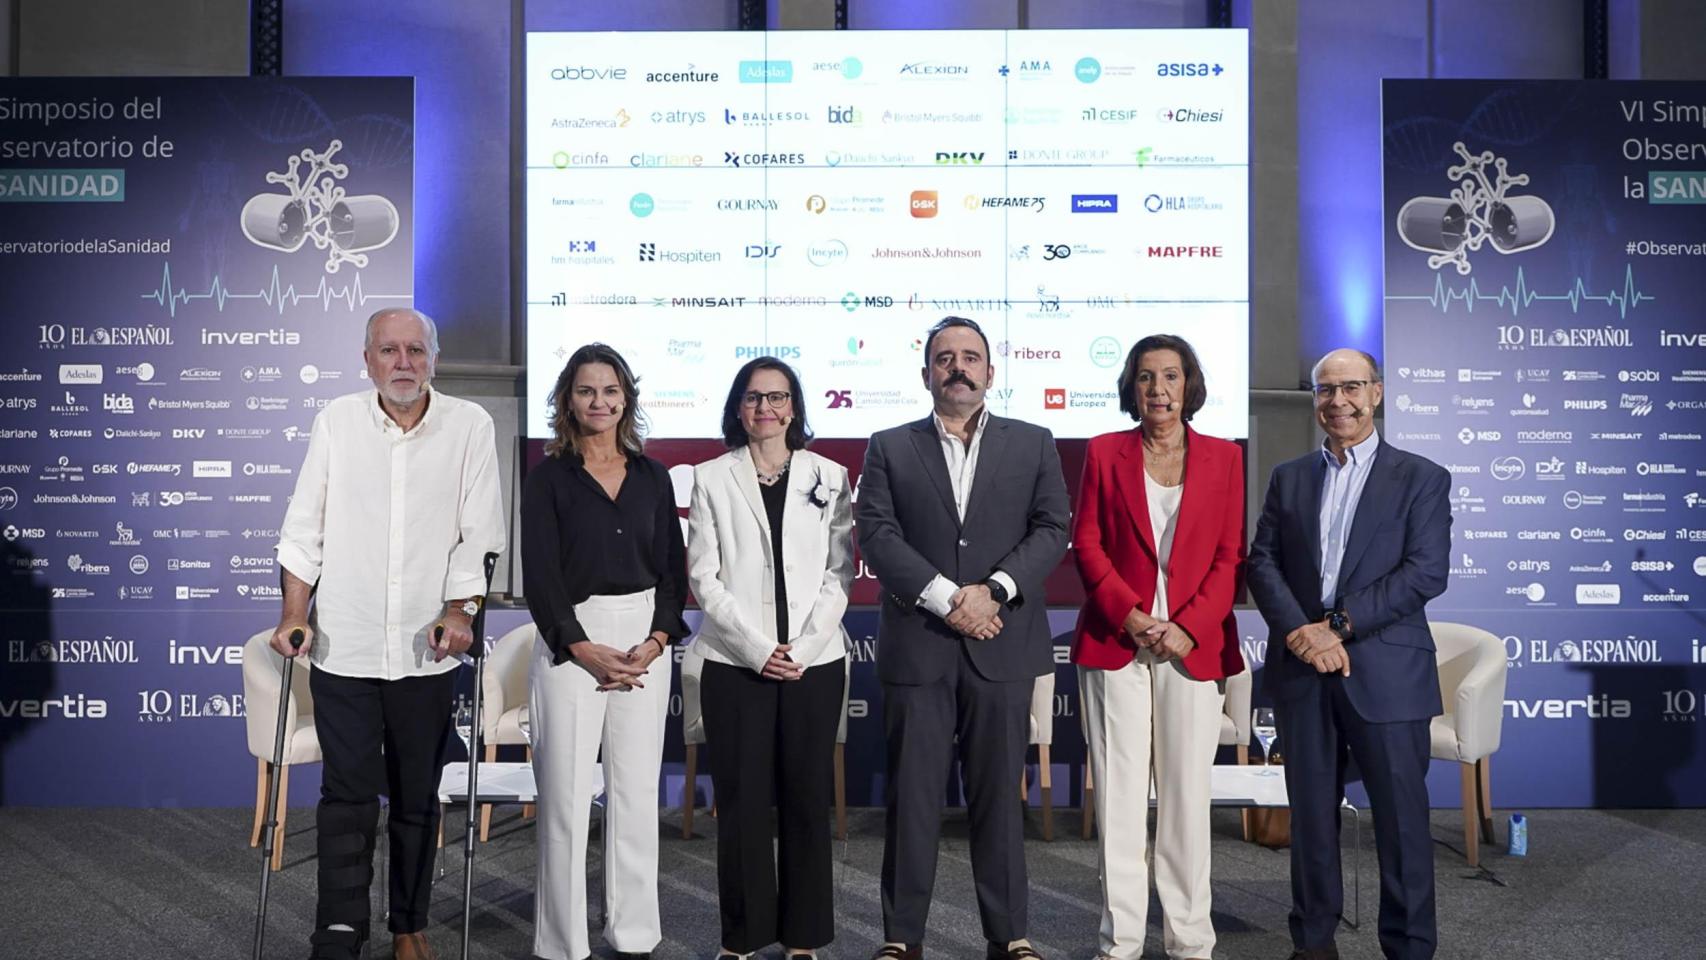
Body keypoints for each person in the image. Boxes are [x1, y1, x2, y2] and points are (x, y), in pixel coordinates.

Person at [273, 307, 506, 960]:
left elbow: (479, 533)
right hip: (343, 647)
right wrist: (296, 613)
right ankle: (339, 932)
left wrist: (460, 612)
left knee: (413, 798)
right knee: (346, 797)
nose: (402, 362)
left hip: (427, 652)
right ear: (367, 359)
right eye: (388, 351)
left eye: (414, 350)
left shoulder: (469, 426)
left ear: (434, 357)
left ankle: (409, 925)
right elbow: (303, 530)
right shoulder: (337, 424)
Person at [854, 316, 1071, 960]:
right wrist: (952, 599)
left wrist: (994, 590)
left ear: (990, 373)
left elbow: (1052, 528)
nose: (958, 367)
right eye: (945, 357)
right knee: (913, 798)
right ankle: (902, 936)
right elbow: (877, 534)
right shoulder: (890, 445)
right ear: (926, 373)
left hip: (1002, 643)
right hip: (921, 644)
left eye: (970, 357)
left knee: (1000, 799)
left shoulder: (1033, 442)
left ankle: (1009, 935)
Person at [1246, 348, 1451, 960]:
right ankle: (1312, 945)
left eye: (1351, 388)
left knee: (1402, 825)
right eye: (1325, 391)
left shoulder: (1421, 477)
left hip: (1387, 672)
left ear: (1377, 393)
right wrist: (1302, 634)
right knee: (1311, 822)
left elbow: (1425, 573)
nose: (1338, 401)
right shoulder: (1290, 476)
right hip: (1304, 673)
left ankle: (1409, 948)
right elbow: (1263, 562)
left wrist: (1336, 626)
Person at [1071, 335, 1246, 960]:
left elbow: (1229, 559)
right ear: (1132, 387)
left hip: (1191, 647)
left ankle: (1190, 941)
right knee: (1118, 801)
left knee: (1184, 799)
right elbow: (1086, 544)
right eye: (1146, 378)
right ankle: (1119, 942)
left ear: (1189, 384)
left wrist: (1186, 626)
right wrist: (1133, 615)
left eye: (1170, 377)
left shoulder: (1225, 458)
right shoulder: (1102, 452)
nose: (1158, 390)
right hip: (1119, 640)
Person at [521, 343, 689, 960]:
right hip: (572, 640)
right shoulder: (548, 478)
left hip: (645, 637)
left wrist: (657, 639)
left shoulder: (653, 475)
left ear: (627, 398)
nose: (600, 402)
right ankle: (562, 943)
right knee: (565, 799)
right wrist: (579, 646)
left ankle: (635, 933)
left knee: (637, 794)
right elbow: (539, 572)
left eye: (610, 391)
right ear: (568, 399)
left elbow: (674, 571)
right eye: (586, 391)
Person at [686, 357, 855, 960]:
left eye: (777, 398)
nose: (766, 408)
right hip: (736, 664)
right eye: (754, 398)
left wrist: (802, 650)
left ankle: (804, 938)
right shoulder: (710, 477)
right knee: (742, 804)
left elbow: (840, 574)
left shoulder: (830, 475)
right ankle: (745, 936)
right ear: (738, 407)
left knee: (807, 799)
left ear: (794, 407)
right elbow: (704, 578)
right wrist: (759, 650)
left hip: (815, 663)